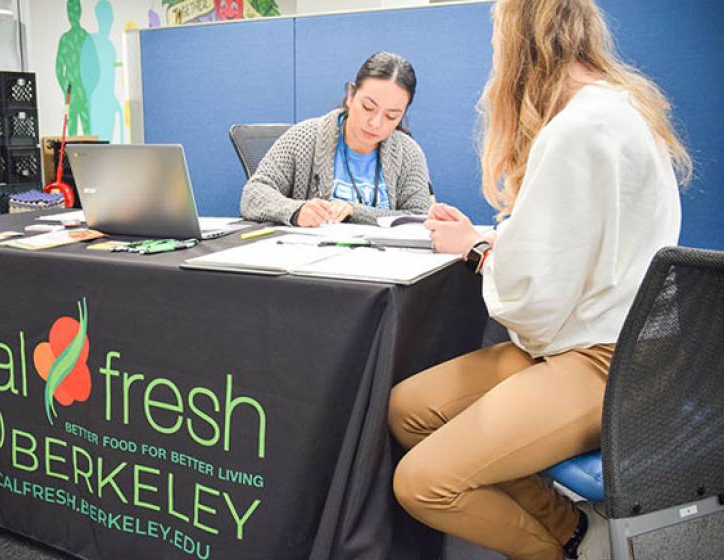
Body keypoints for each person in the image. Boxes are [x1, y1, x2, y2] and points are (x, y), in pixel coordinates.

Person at [388, 1, 690, 559]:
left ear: (519, 42)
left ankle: (556, 552)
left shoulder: (574, 128)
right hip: (609, 337)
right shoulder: (620, 107)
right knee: (409, 407)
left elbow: (529, 301)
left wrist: (479, 249)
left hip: (604, 361)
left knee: (422, 482)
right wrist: (504, 245)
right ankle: (572, 527)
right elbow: (582, 248)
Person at [240, 51, 432, 226]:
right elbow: (253, 193)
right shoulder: (305, 137)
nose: (375, 123)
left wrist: (354, 211)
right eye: (368, 107)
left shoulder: (408, 153)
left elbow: (418, 219)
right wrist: (295, 211)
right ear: (350, 95)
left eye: (391, 116)